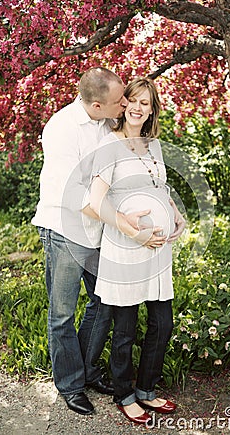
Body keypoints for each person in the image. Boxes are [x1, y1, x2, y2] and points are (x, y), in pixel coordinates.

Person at [31, 67, 166, 416]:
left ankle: (88, 370)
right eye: (119, 100)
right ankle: (70, 385)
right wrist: (125, 223)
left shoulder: (109, 122)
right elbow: (77, 195)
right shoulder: (61, 129)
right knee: (62, 313)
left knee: (103, 304)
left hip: (98, 233)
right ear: (95, 105)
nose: (125, 103)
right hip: (65, 229)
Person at [85, 77, 186, 425]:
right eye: (134, 100)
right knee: (125, 329)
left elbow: (160, 186)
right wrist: (134, 231)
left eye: (147, 102)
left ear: (152, 109)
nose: (139, 107)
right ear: (123, 104)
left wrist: (174, 212)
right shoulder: (109, 147)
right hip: (126, 248)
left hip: (157, 250)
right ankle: (124, 394)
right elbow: (96, 202)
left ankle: (146, 389)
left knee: (163, 323)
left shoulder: (153, 146)